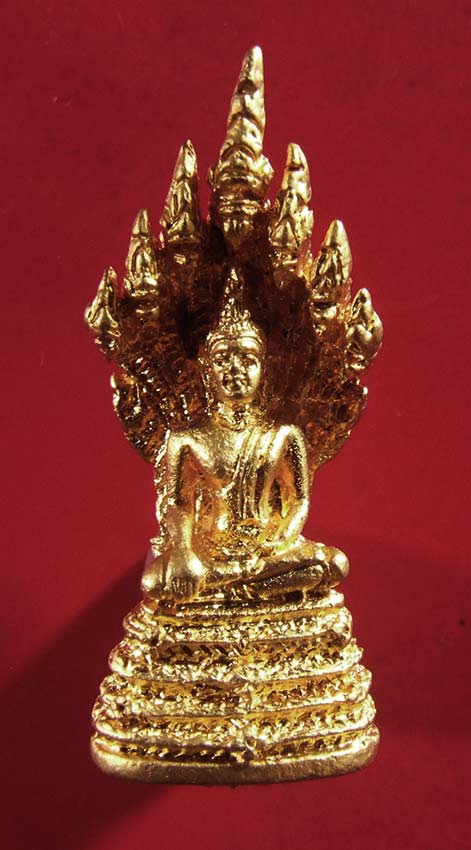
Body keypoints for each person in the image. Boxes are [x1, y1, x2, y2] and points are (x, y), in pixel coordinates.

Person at [142, 276, 348, 602]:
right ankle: (254, 585)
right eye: (223, 360)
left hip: (267, 549)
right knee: (155, 581)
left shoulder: (283, 435)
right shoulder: (187, 439)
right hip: (212, 549)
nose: (235, 369)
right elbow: (178, 504)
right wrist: (183, 550)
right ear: (207, 372)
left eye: (247, 360)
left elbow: (298, 500)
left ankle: (230, 585)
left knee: (334, 563)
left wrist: (279, 539)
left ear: (264, 370)